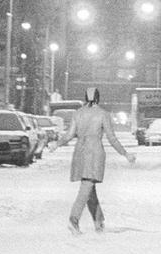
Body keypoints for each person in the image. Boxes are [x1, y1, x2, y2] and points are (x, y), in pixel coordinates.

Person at [54, 87, 134, 233]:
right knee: (86, 186)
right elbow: (111, 138)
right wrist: (125, 153)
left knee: (89, 187)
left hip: (80, 152)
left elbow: (69, 134)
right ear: (98, 98)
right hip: (95, 153)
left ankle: (99, 220)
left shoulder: (77, 114)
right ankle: (74, 219)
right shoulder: (103, 114)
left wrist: (56, 144)